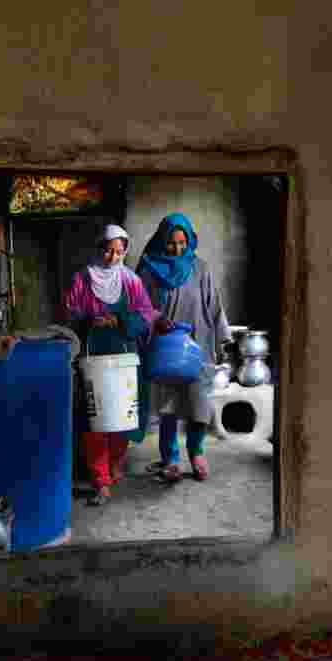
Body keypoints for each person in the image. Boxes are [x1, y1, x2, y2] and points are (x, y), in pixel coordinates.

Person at [62, 224, 159, 506]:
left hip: (124, 357)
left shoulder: (130, 281)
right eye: (108, 250)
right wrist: (90, 320)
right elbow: (69, 312)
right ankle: (100, 480)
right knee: (96, 420)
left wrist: (119, 321)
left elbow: (145, 314)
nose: (113, 257)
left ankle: (114, 465)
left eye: (119, 252)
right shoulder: (83, 279)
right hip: (92, 357)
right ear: (99, 248)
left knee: (121, 417)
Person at [136, 212, 232, 483]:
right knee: (168, 405)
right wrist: (155, 320)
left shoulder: (200, 267)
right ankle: (171, 459)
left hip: (197, 344)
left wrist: (223, 339)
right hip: (164, 346)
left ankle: (197, 452)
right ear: (161, 240)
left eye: (182, 242)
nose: (177, 249)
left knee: (198, 402)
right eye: (171, 243)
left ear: (189, 240)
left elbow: (213, 303)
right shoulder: (148, 269)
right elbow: (139, 307)